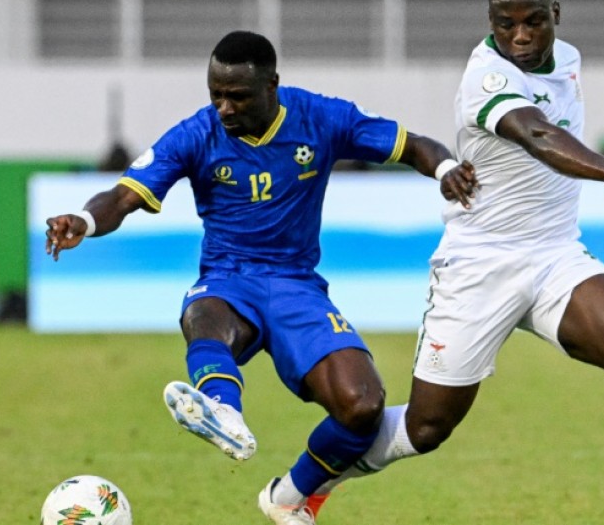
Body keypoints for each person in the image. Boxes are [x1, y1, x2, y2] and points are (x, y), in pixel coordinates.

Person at [308, 0, 604, 525]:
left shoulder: (567, 58)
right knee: (426, 429)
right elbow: (538, 134)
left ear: (556, 13)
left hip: (554, 255)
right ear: (490, 24)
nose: (520, 35)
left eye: (533, 22)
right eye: (507, 25)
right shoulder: (486, 77)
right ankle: (305, 484)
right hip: (479, 266)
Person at [43, 30, 477, 525]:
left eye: (237, 96)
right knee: (204, 315)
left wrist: (443, 167)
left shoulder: (321, 117)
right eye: (215, 95)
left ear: (272, 84)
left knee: (363, 406)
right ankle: (222, 410)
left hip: (297, 286)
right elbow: (124, 196)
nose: (224, 108)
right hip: (228, 278)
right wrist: (85, 220)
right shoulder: (196, 133)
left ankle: (289, 496)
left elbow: (411, 144)